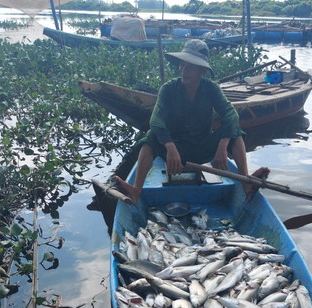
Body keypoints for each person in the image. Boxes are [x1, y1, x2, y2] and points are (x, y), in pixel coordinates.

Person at [113, 39, 265, 203]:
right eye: (182, 65)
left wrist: (222, 146)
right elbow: (156, 122)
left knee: (236, 134)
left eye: (189, 67)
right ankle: (136, 190)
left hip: (204, 148)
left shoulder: (211, 88)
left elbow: (231, 115)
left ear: (201, 71)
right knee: (149, 138)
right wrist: (170, 147)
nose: (183, 70)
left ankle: (245, 182)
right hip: (176, 154)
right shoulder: (169, 89)